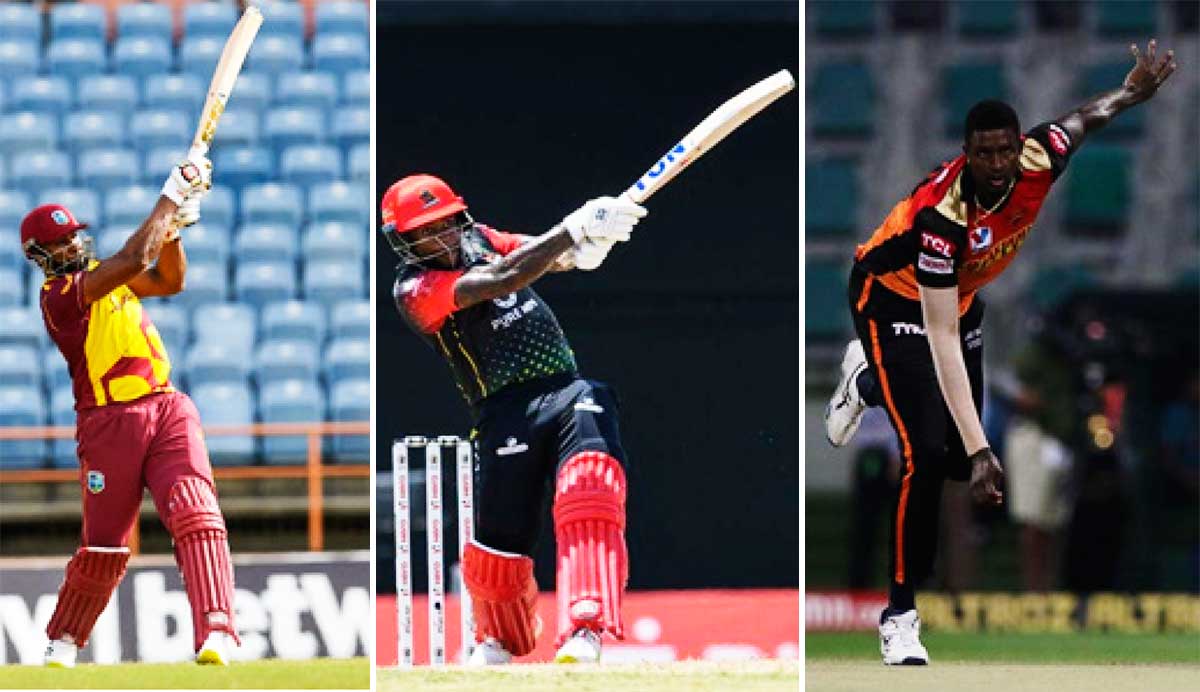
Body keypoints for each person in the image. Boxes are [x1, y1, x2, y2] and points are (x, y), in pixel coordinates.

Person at [822, 40, 1176, 665]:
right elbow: (939, 339)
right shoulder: (941, 219)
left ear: (1018, 147)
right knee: (929, 456)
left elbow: (1083, 119)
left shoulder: (1040, 157)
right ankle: (901, 616)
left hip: (959, 304)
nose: (994, 164)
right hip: (891, 299)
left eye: (1003, 150)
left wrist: (1131, 92)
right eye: (982, 153)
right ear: (966, 154)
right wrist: (986, 445)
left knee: (960, 463)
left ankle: (868, 384)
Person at [384, 174, 646, 665]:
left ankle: (585, 626)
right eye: (424, 231)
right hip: (504, 411)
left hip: (568, 391)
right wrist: (573, 230)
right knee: (500, 544)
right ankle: (498, 637)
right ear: (406, 241)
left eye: (443, 224)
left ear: (458, 216)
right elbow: (504, 279)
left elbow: (541, 254)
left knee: (590, 484)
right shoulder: (413, 289)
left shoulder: (480, 237)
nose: (438, 237)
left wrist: (590, 244)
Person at [24, 150, 241, 667]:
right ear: (41, 254)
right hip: (106, 424)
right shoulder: (61, 296)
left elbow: (168, 280)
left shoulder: (104, 274)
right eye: (60, 241)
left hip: (166, 408)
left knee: (195, 510)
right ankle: (65, 639)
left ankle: (217, 631)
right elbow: (133, 262)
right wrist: (170, 197)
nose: (73, 243)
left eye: (74, 234)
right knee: (105, 547)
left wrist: (175, 229)